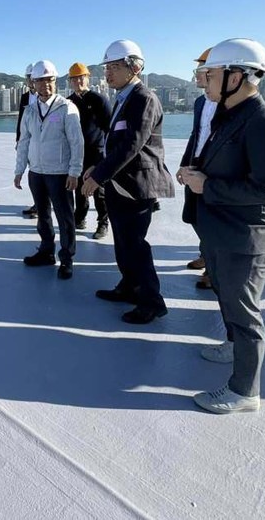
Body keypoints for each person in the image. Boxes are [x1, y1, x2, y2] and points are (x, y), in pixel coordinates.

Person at [178, 38, 265, 414]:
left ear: (237, 76)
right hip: (220, 228)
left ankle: (245, 391)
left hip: (246, 236)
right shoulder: (229, 114)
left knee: (245, 314)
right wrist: (196, 174)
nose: (203, 80)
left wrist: (206, 185)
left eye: (209, 73)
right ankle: (232, 348)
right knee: (228, 300)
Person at [82, 40, 175, 324]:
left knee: (135, 245)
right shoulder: (124, 97)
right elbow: (116, 143)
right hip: (119, 184)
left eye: (114, 67)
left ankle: (151, 301)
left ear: (134, 67)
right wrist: (98, 167)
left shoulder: (143, 98)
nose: (107, 73)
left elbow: (132, 144)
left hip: (136, 186)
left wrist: (98, 177)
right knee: (122, 243)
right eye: (106, 67)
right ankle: (128, 286)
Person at [15, 60, 84, 279]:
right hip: (36, 172)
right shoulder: (30, 110)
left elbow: (76, 142)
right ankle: (46, 252)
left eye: (50, 80)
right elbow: (24, 141)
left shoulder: (66, 107)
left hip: (59, 172)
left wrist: (74, 171)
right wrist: (19, 170)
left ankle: (67, 259)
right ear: (33, 84)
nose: (46, 85)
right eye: (41, 81)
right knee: (43, 216)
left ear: (55, 81)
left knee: (65, 218)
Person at [177, 48, 216, 289]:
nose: (197, 75)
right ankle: (207, 254)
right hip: (196, 163)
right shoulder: (201, 102)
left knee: (210, 219)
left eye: (201, 70)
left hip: (214, 169)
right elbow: (196, 134)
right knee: (194, 215)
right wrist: (185, 162)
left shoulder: (227, 104)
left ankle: (213, 269)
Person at [67, 61, 113, 239]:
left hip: (96, 153)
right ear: (70, 81)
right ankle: (80, 218)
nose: (78, 82)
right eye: (74, 79)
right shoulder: (68, 102)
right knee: (78, 188)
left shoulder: (99, 100)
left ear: (87, 78)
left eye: (81, 78)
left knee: (98, 191)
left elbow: (110, 128)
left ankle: (103, 223)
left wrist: (105, 156)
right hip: (77, 154)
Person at [16, 63, 38, 219]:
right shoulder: (25, 96)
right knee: (34, 174)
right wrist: (18, 139)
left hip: (42, 142)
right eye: (28, 78)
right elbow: (20, 120)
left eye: (32, 77)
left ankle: (43, 205)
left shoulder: (46, 95)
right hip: (28, 141)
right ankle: (38, 203)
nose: (30, 80)